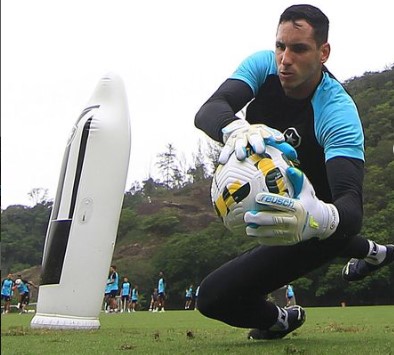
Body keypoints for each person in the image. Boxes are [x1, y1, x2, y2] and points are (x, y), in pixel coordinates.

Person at [194, 4, 393, 340]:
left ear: (323, 52)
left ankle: (279, 320)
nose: (285, 59)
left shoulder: (337, 111)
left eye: (299, 49)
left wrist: (317, 218)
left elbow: (350, 205)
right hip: (278, 198)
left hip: (319, 220)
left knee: (213, 297)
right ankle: (379, 252)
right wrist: (235, 129)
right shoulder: (264, 64)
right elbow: (210, 109)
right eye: (280, 46)